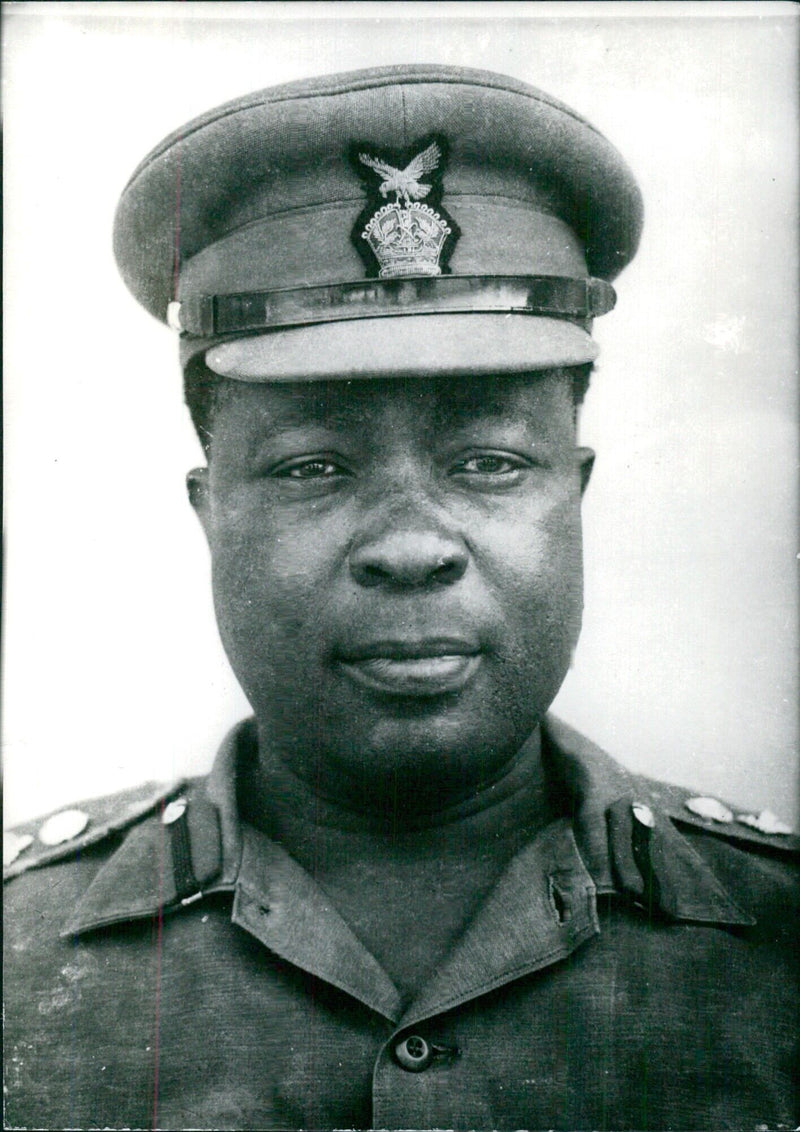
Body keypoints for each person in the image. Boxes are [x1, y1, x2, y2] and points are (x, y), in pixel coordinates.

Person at [3, 65, 797, 1132]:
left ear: (575, 492)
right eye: (311, 468)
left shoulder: (777, 939)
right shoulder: (18, 953)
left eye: (490, 461)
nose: (413, 545)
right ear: (210, 512)